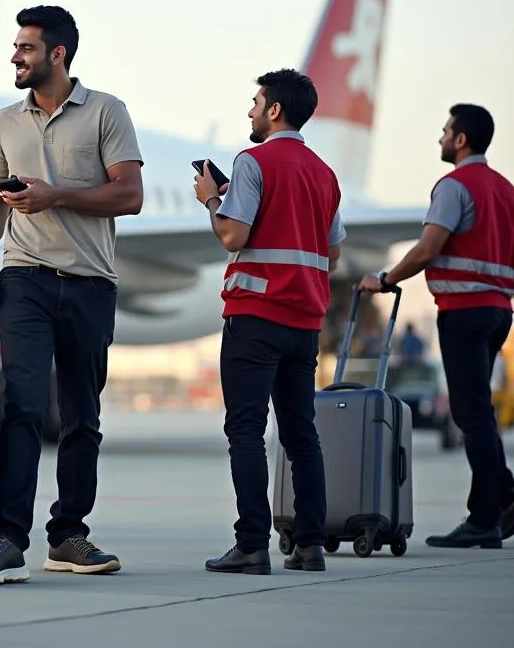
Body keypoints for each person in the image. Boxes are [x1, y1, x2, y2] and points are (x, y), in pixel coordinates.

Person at [0, 5, 143, 585]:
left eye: (27, 48)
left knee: (82, 416)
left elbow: (129, 195)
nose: (15, 56)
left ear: (58, 54)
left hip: (90, 283)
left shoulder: (107, 112)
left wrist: (54, 195)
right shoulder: (6, 121)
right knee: (22, 405)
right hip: (25, 278)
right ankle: (6, 539)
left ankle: (68, 535)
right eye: (15, 47)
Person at [194, 69, 345, 575]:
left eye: (256, 102)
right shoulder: (325, 174)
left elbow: (233, 236)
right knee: (302, 434)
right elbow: (336, 253)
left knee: (246, 431)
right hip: (304, 323)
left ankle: (252, 544)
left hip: (254, 318)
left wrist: (212, 199)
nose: (251, 111)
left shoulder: (252, 162)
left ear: (274, 109)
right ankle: (310, 546)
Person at [358, 103, 514, 547]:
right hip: (499, 311)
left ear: (461, 139)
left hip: (464, 312)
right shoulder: (506, 190)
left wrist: (385, 279)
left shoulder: (454, 187)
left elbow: (428, 248)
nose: (441, 137)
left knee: (470, 414)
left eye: (446, 131)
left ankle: (486, 515)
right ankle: (501, 497)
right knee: (478, 410)